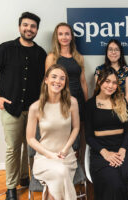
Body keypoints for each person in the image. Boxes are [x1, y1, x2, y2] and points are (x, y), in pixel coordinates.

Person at [0, 12, 46, 200]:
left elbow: (43, 82)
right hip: (10, 109)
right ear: (20, 27)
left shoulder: (40, 53)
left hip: (32, 110)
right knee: (13, 147)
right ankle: (11, 187)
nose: (29, 29)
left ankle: (25, 177)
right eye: (25, 25)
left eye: (33, 26)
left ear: (36, 30)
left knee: (29, 146)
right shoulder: (5, 49)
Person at [85, 67, 128, 200]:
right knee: (114, 183)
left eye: (114, 83)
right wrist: (105, 153)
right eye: (107, 81)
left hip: (122, 150)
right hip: (101, 152)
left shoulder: (121, 102)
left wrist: (122, 150)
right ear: (99, 82)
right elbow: (88, 136)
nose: (111, 86)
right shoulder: (90, 105)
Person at [26, 64, 79, 200]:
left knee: (58, 176)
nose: (58, 81)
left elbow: (76, 128)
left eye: (62, 78)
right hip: (44, 158)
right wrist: (49, 155)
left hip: (66, 156)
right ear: (46, 80)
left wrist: (66, 149)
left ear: (65, 82)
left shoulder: (72, 103)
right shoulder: (35, 107)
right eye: (54, 77)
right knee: (60, 173)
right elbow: (30, 138)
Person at [45, 22, 88, 157]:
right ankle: (63, 164)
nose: (64, 37)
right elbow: (48, 82)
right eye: (61, 34)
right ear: (56, 37)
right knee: (63, 135)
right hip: (60, 102)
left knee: (79, 136)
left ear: (71, 37)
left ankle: (78, 169)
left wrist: (86, 104)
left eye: (67, 34)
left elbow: (83, 81)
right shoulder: (52, 57)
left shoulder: (79, 57)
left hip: (79, 101)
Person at [94, 39, 128, 128]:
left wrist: (120, 113)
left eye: (116, 50)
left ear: (120, 52)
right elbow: (99, 92)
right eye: (110, 49)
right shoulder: (100, 70)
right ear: (107, 52)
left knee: (124, 139)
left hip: (124, 110)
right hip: (105, 111)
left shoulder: (127, 70)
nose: (113, 52)